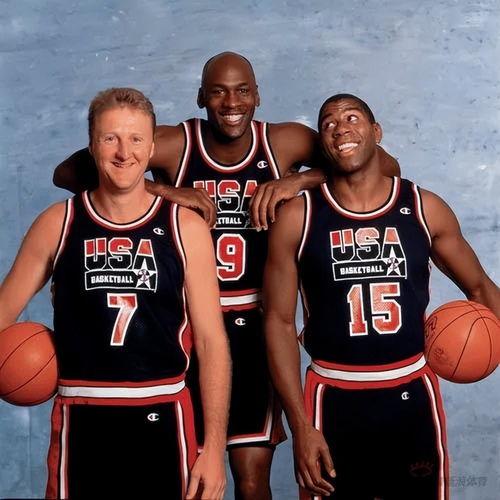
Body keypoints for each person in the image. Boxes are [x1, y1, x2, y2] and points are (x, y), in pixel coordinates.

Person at [52, 54, 400, 499]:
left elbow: (383, 163)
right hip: (189, 330)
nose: (231, 102)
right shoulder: (177, 143)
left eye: (242, 91)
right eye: (218, 92)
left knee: (251, 479)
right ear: (201, 97)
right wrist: (160, 189)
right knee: (191, 477)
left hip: (255, 328)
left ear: (257, 96)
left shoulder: (284, 142)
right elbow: (67, 173)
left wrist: (300, 181)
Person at [263, 93, 500, 499]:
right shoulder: (298, 217)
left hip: (411, 394)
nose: (341, 128)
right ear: (323, 143)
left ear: (376, 132)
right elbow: (279, 323)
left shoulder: (423, 208)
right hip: (332, 396)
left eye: (352, 118)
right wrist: (301, 426)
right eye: (328, 123)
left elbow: (479, 286)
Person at [0, 88, 231, 500]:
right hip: (81, 418)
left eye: (136, 139)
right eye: (111, 138)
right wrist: (19, 364)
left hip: (164, 414)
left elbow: (212, 343)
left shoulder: (185, 228)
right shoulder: (58, 223)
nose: (124, 152)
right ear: (92, 145)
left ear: (152, 148)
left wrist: (213, 449)